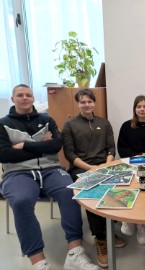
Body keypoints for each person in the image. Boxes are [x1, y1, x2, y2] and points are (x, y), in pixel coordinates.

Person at [0, 84, 100, 270]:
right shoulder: (3, 123)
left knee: (71, 191)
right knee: (21, 201)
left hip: (51, 168)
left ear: (32, 98)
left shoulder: (46, 119)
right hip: (17, 172)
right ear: (13, 99)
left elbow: (55, 146)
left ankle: (75, 252)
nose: (25, 98)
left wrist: (23, 146)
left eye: (28, 95)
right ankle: (39, 262)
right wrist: (39, 145)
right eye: (20, 95)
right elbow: (4, 155)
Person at [62, 89, 126, 269]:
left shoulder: (104, 123)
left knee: (120, 187)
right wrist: (91, 169)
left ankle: (109, 230)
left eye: (90, 101)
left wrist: (105, 166)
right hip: (81, 168)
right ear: (78, 103)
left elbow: (111, 148)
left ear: (94, 103)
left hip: (105, 166)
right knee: (93, 193)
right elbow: (69, 154)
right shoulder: (69, 125)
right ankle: (100, 239)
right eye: (83, 102)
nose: (87, 104)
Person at [117, 95, 145, 245]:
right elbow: (121, 148)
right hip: (131, 162)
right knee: (130, 184)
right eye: (139, 106)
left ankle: (142, 226)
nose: (142, 109)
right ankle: (128, 218)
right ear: (134, 109)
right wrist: (138, 156)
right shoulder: (126, 126)